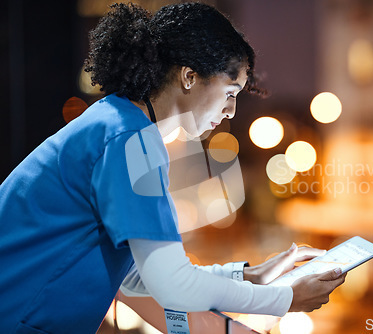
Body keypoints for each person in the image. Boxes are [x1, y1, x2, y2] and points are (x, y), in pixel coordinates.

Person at [0, 3, 346, 333]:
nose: (232, 112)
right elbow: (172, 285)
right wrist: (284, 298)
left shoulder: (115, 121)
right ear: (189, 77)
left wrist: (249, 275)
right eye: (230, 92)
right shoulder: (130, 140)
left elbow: (137, 276)